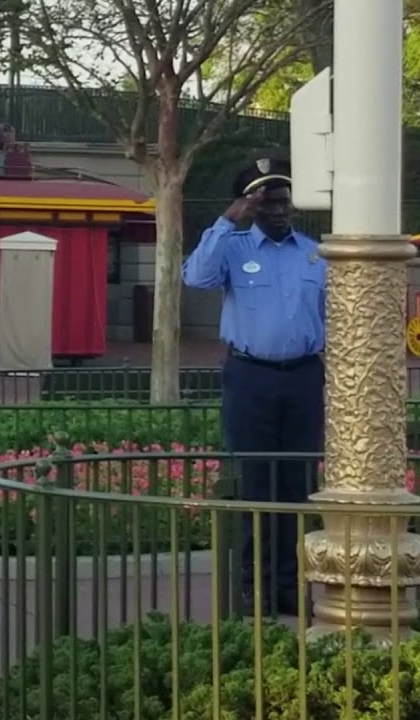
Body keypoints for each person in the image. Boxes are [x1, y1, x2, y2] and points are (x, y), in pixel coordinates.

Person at [181, 157, 326, 617]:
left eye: (284, 201)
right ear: (250, 205)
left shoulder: (315, 254)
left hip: (303, 375)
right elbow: (195, 276)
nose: (279, 210)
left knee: (298, 485)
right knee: (256, 484)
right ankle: (255, 588)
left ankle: (290, 585)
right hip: (251, 377)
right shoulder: (233, 247)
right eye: (267, 202)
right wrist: (228, 221)